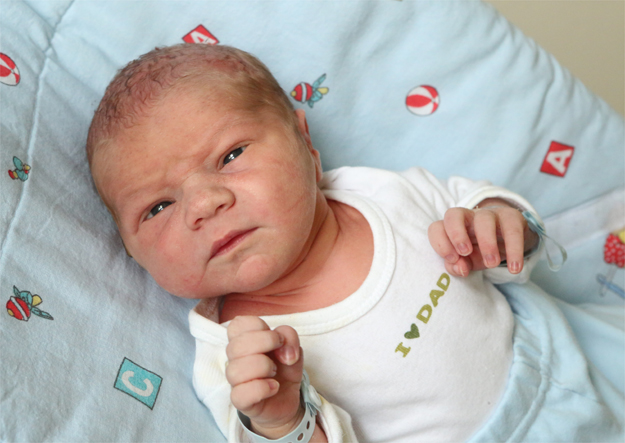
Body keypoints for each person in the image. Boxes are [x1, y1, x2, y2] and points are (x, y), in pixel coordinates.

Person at [86, 43, 622, 443]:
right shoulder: (235, 353)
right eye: (158, 207)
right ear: (132, 251)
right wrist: (281, 420)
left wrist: (498, 225)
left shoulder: (378, 192)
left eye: (230, 156)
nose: (204, 204)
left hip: (570, 370)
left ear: (305, 142)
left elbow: (491, 213)